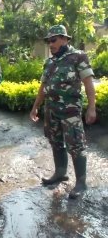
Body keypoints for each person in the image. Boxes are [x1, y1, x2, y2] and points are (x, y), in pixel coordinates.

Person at [30, 25, 96, 199]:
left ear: (65, 39)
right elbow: (43, 87)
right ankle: (60, 173)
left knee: (76, 145)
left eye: (53, 40)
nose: (50, 44)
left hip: (70, 112)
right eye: (48, 41)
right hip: (51, 111)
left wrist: (91, 107)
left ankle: (81, 182)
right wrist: (36, 106)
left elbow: (88, 84)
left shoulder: (78, 57)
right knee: (56, 142)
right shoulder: (50, 62)